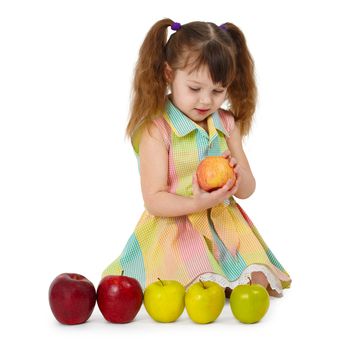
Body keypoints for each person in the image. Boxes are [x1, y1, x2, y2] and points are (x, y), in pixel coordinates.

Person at [102, 18, 291, 298]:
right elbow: (154, 199)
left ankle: (229, 277)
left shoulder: (226, 124)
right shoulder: (157, 129)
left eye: (218, 91)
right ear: (169, 74)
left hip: (225, 226)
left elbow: (248, 190)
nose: (206, 101)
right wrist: (195, 202)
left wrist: (237, 177)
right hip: (175, 226)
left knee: (259, 281)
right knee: (199, 284)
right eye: (194, 89)